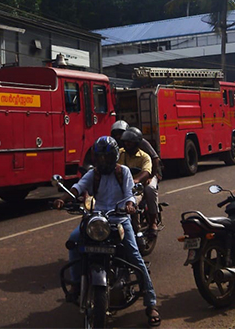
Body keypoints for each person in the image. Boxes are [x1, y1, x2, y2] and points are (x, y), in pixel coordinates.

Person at [54, 136, 160, 327]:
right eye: (100, 157)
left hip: (119, 219)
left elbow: (129, 193)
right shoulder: (93, 174)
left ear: (114, 157)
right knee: (74, 242)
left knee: (135, 256)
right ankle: (76, 284)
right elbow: (77, 188)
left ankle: (151, 302)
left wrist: (130, 205)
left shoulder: (123, 172)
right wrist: (63, 198)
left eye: (106, 157)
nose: (103, 161)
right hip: (96, 219)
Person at [119, 128, 160, 236]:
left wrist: (137, 180)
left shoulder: (145, 156)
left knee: (150, 190)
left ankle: (152, 222)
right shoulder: (120, 153)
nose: (127, 144)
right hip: (124, 184)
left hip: (143, 181)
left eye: (130, 142)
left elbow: (147, 170)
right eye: (125, 142)